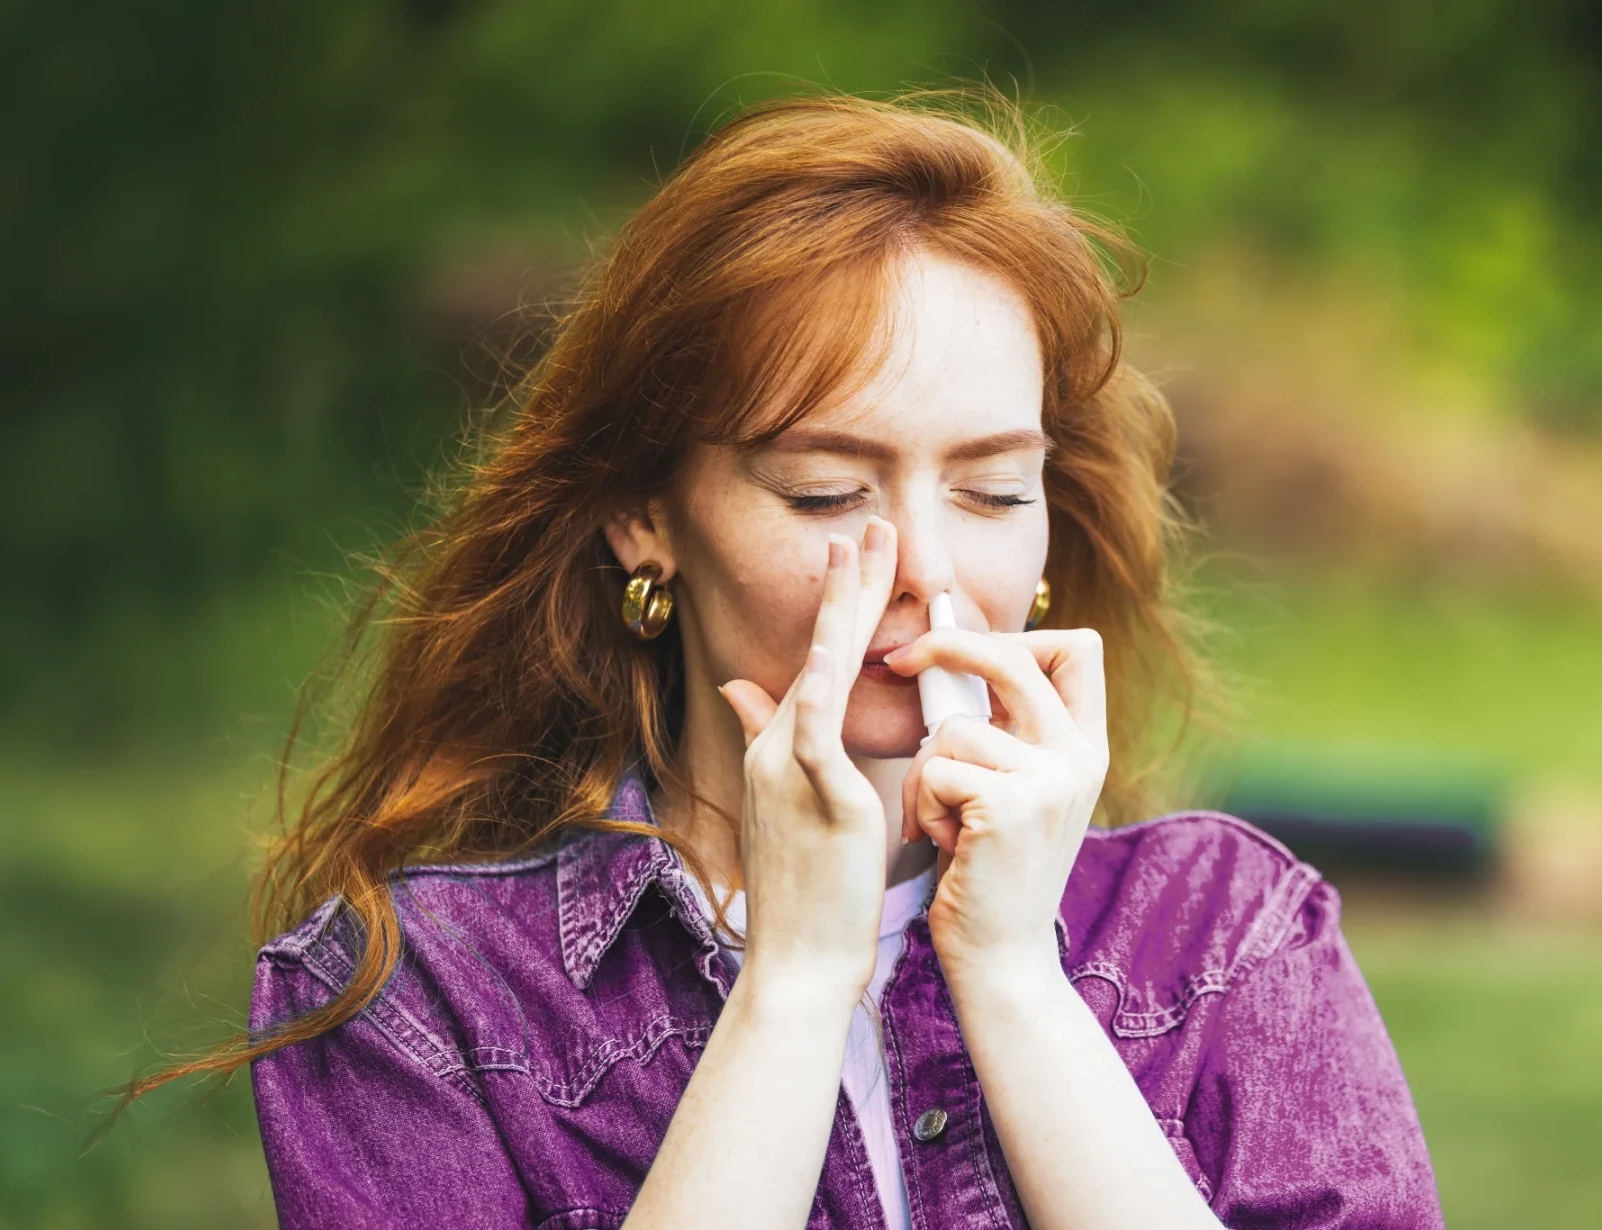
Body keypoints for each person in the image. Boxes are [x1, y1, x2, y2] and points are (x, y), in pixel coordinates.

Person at [212, 92, 1445, 1228]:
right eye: (822, 492)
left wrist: (1013, 977)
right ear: (646, 516)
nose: (923, 566)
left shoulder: (1228, 933)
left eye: (992, 488)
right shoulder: (423, 997)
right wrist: (793, 986)